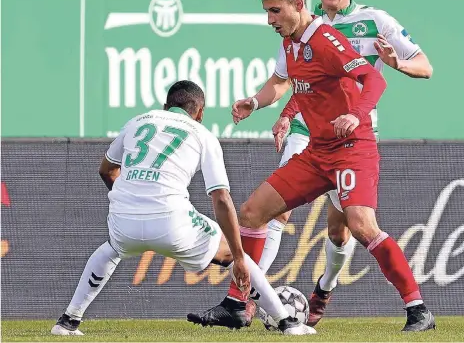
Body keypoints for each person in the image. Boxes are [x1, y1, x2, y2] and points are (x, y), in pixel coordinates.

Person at [188, 0, 435, 333]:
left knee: (361, 227)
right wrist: (255, 103)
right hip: (317, 152)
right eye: (267, 12)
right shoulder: (291, 42)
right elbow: (286, 84)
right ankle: (237, 305)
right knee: (252, 213)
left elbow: (374, 78)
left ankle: (418, 309)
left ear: (298, 4)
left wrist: (354, 113)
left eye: (275, 11)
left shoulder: (326, 40)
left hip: (352, 149)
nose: (269, 20)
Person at [51, 80, 315, 336]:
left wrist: (131, 200)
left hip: (124, 220)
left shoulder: (137, 122)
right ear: (200, 112)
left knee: (111, 249)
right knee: (238, 256)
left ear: (166, 106)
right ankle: (288, 323)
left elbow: (106, 170)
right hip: (173, 222)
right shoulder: (202, 134)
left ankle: (68, 321)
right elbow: (221, 198)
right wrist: (237, 257)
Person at [259, 0, 434, 328]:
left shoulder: (374, 20)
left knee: (344, 229)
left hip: (351, 133)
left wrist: (395, 63)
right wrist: (284, 115)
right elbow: (291, 80)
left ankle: (325, 287)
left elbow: (425, 67)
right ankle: (250, 297)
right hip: (307, 133)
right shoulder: (297, 20)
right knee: (275, 210)